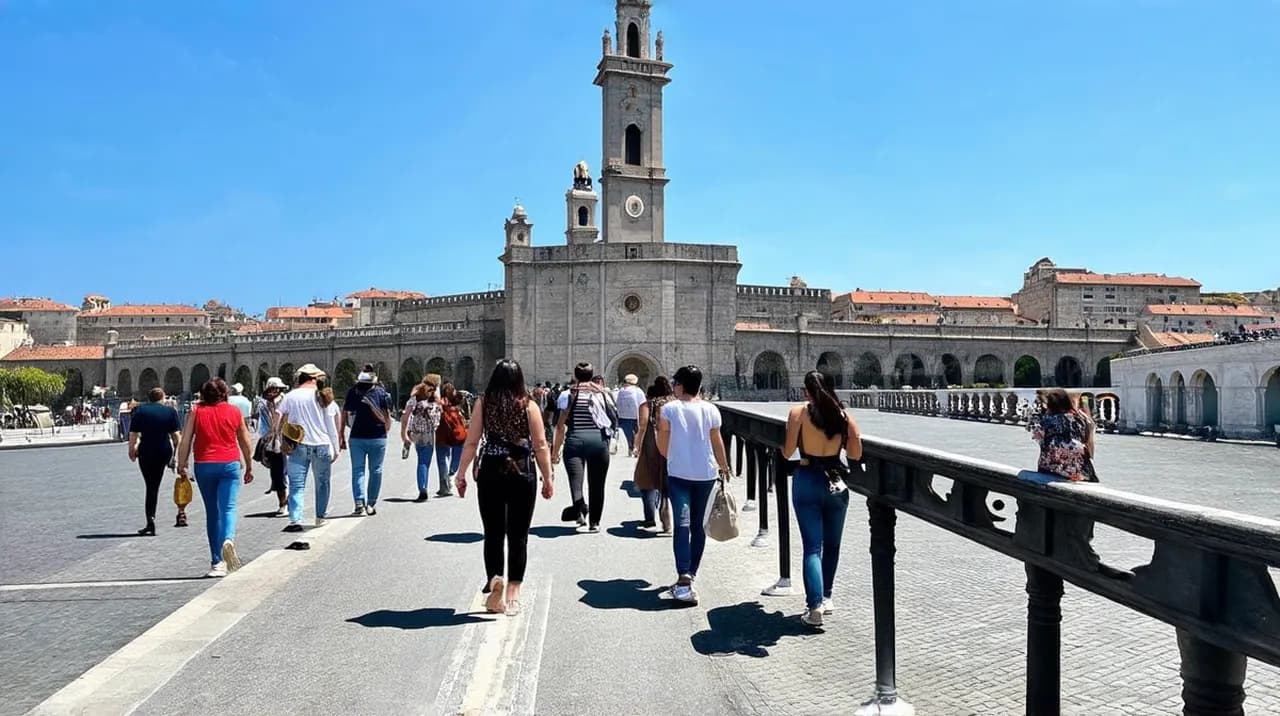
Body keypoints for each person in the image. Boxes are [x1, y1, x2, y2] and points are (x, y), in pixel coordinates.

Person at [453, 359, 554, 616]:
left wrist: (461, 473)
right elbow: (541, 444)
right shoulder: (529, 405)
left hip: (491, 471)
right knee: (519, 536)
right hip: (522, 470)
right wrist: (548, 478)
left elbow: (472, 442)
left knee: (493, 532)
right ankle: (513, 594)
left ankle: (495, 579)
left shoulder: (483, 403)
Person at [782, 370, 864, 627]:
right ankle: (827, 597)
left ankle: (814, 604)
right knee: (833, 545)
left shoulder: (798, 413)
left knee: (812, 547)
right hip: (836, 481)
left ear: (806, 391)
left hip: (807, 479)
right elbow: (855, 452)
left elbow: (787, 452)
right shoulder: (844, 415)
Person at [657, 365, 731, 605]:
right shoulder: (711, 410)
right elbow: (717, 441)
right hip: (706, 476)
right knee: (699, 526)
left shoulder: (668, 409)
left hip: (679, 476)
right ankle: (692, 575)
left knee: (682, 525)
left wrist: (675, 457)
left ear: (680, 385)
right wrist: (724, 466)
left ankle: (683, 577)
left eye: (675, 383)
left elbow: (662, 445)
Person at [176, 379, 255, 578]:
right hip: (229, 463)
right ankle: (228, 539)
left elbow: (185, 440)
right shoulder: (234, 411)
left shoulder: (196, 412)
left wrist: (181, 463)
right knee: (228, 508)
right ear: (224, 393)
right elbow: (245, 440)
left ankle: (217, 562)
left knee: (213, 512)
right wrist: (249, 465)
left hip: (204, 464)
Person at [552, 363, 615, 532]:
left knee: (576, 482)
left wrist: (555, 451)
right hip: (598, 442)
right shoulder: (603, 393)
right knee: (597, 485)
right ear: (592, 374)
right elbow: (612, 416)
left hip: (574, 441)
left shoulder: (568, 393)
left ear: (576, 375)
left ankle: (580, 512)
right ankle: (595, 523)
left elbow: (559, 426)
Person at [279, 364, 341, 533]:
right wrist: (336, 448)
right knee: (322, 483)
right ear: (315, 379)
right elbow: (330, 426)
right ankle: (320, 517)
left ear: (300, 378)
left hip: (298, 444)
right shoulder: (324, 397)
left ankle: (295, 519)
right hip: (321, 445)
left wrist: (280, 441)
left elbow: (281, 420)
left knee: (297, 484)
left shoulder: (290, 396)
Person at [127, 387, 181, 536]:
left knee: (150, 485)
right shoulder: (170, 412)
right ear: (162, 397)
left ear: (149, 398)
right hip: (163, 450)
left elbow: (133, 434)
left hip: (146, 451)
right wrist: (176, 457)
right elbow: (177, 437)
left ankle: (150, 519)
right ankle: (151, 518)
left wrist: (131, 451)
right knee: (154, 484)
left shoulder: (140, 411)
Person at [340, 368, 393, 516]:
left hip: (357, 436)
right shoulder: (381, 393)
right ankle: (371, 503)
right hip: (378, 437)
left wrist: (341, 434)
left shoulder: (353, 392)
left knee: (358, 470)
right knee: (376, 470)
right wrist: (386, 432)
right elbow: (387, 415)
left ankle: (359, 503)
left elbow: (345, 413)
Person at [632, 376, 674, 532]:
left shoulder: (647, 404)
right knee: (667, 481)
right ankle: (670, 516)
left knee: (648, 480)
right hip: (670, 446)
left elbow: (642, 426)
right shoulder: (673, 404)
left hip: (651, 446)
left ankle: (649, 517)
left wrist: (637, 446)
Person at [1031, 388, 1097, 482]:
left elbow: (1037, 438)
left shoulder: (1046, 421)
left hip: (1050, 469)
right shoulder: (1080, 420)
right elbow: (1087, 440)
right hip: (1078, 471)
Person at [401, 375, 443, 502]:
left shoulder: (415, 398)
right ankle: (423, 487)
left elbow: (405, 416)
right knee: (425, 462)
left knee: (421, 460)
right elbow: (440, 410)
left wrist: (403, 434)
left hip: (417, 433)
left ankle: (422, 488)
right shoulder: (434, 399)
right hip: (429, 434)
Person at [254, 377, 289, 516]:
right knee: (277, 474)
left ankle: (287, 502)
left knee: (286, 473)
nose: (271, 392)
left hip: (287, 441)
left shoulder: (286, 401)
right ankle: (282, 502)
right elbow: (262, 426)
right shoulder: (264, 405)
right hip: (272, 444)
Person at [435, 382, 468, 496]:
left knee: (443, 458)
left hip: (441, 434)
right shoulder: (456, 404)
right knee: (453, 456)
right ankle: (451, 474)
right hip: (455, 433)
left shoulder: (439, 403)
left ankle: (444, 485)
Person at [615, 373, 646, 457]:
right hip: (635, 416)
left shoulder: (621, 391)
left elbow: (617, 404)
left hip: (623, 417)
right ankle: (636, 449)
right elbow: (643, 404)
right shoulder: (638, 391)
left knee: (627, 435)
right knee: (637, 433)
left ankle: (630, 447)